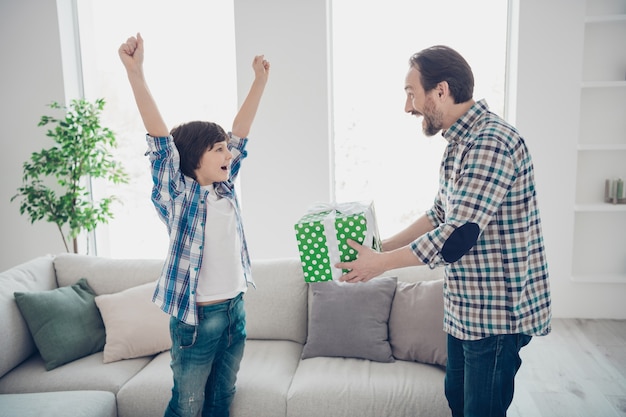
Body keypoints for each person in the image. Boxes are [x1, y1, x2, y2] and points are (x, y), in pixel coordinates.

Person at [336, 45, 551, 417]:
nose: (407, 107)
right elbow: (439, 215)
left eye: (410, 93)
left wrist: (382, 264)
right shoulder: (459, 143)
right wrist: (380, 247)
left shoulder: (490, 142)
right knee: (457, 402)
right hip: (464, 310)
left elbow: (457, 236)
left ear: (441, 90)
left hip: (495, 316)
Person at [118, 33, 269, 417]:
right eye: (217, 149)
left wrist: (259, 82)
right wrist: (136, 73)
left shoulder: (225, 188)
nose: (228, 153)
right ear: (192, 161)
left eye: (225, 148)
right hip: (197, 321)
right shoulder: (179, 196)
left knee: (222, 397)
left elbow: (241, 131)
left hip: (235, 310)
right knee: (188, 406)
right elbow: (159, 140)